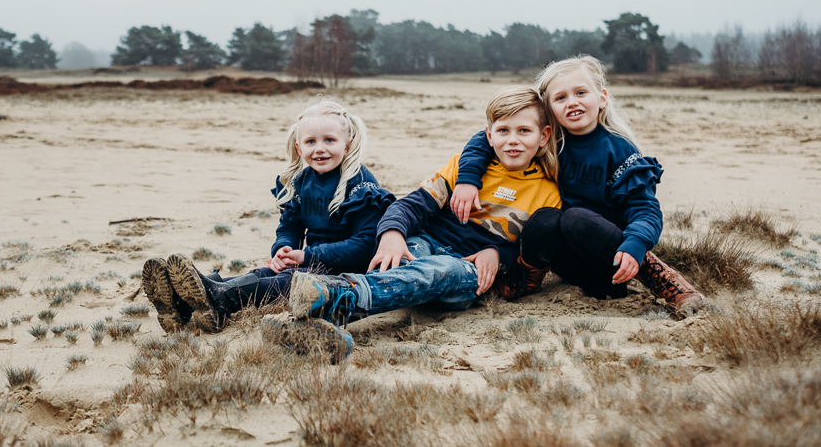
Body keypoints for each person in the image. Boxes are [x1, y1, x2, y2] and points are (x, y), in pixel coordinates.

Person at [283, 86, 561, 331]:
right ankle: (324, 319)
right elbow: (411, 205)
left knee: (442, 270)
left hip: (467, 268)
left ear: (544, 136)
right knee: (398, 262)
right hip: (426, 242)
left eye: (524, 131)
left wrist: (499, 254)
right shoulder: (462, 168)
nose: (512, 140)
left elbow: (533, 249)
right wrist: (393, 233)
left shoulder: (548, 192)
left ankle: (339, 294)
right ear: (489, 135)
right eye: (503, 131)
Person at [451, 55, 703, 314]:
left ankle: (664, 281)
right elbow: (487, 137)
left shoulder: (619, 150)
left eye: (581, 92)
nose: (572, 102)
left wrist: (636, 244)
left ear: (602, 98)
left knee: (576, 218)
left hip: (612, 262)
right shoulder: (547, 141)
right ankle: (524, 280)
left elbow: (645, 208)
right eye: (560, 98)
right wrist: (468, 179)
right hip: (563, 261)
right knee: (545, 219)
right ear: (549, 109)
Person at [141, 97, 395, 333]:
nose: (320, 149)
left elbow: (364, 245)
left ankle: (221, 300)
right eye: (311, 142)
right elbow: (290, 226)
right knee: (266, 273)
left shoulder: (360, 184)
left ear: (347, 144)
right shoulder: (300, 182)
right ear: (298, 146)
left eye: (329, 140)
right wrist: (283, 250)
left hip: (349, 272)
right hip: (311, 261)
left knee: (287, 282)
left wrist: (306, 255)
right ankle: (184, 304)